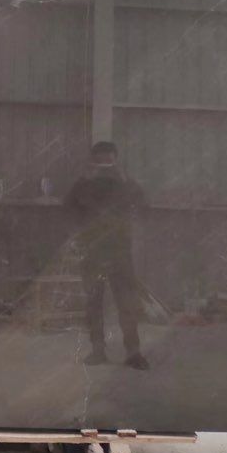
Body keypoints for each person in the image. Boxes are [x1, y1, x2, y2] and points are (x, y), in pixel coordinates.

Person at [65, 141, 149, 370]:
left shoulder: (125, 182)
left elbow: (142, 203)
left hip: (119, 250)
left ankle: (133, 352)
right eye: (99, 160)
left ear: (116, 159)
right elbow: (69, 209)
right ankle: (98, 350)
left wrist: (124, 179)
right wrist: (78, 236)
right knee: (93, 302)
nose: (104, 165)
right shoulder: (83, 184)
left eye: (108, 160)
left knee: (126, 302)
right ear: (93, 161)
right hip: (92, 250)